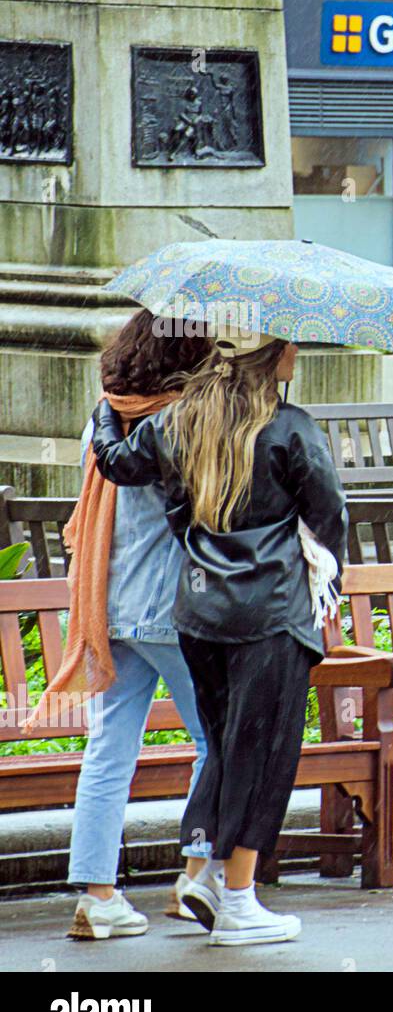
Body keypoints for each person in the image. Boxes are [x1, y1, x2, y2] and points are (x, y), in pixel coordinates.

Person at [91, 328, 346, 946]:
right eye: (291, 346)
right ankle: (238, 900)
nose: (297, 354)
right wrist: (325, 572)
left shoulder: (182, 423)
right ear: (273, 359)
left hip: (200, 612)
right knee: (266, 753)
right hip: (272, 612)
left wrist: (106, 411)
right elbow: (330, 511)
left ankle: (207, 875)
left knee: (227, 745)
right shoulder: (290, 427)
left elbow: (116, 462)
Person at [28, 311, 213, 940]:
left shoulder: (103, 418)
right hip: (174, 610)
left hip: (109, 609)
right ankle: (198, 876)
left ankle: (97, 895)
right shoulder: (183, 422)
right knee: (216, 744)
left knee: (108, 751)